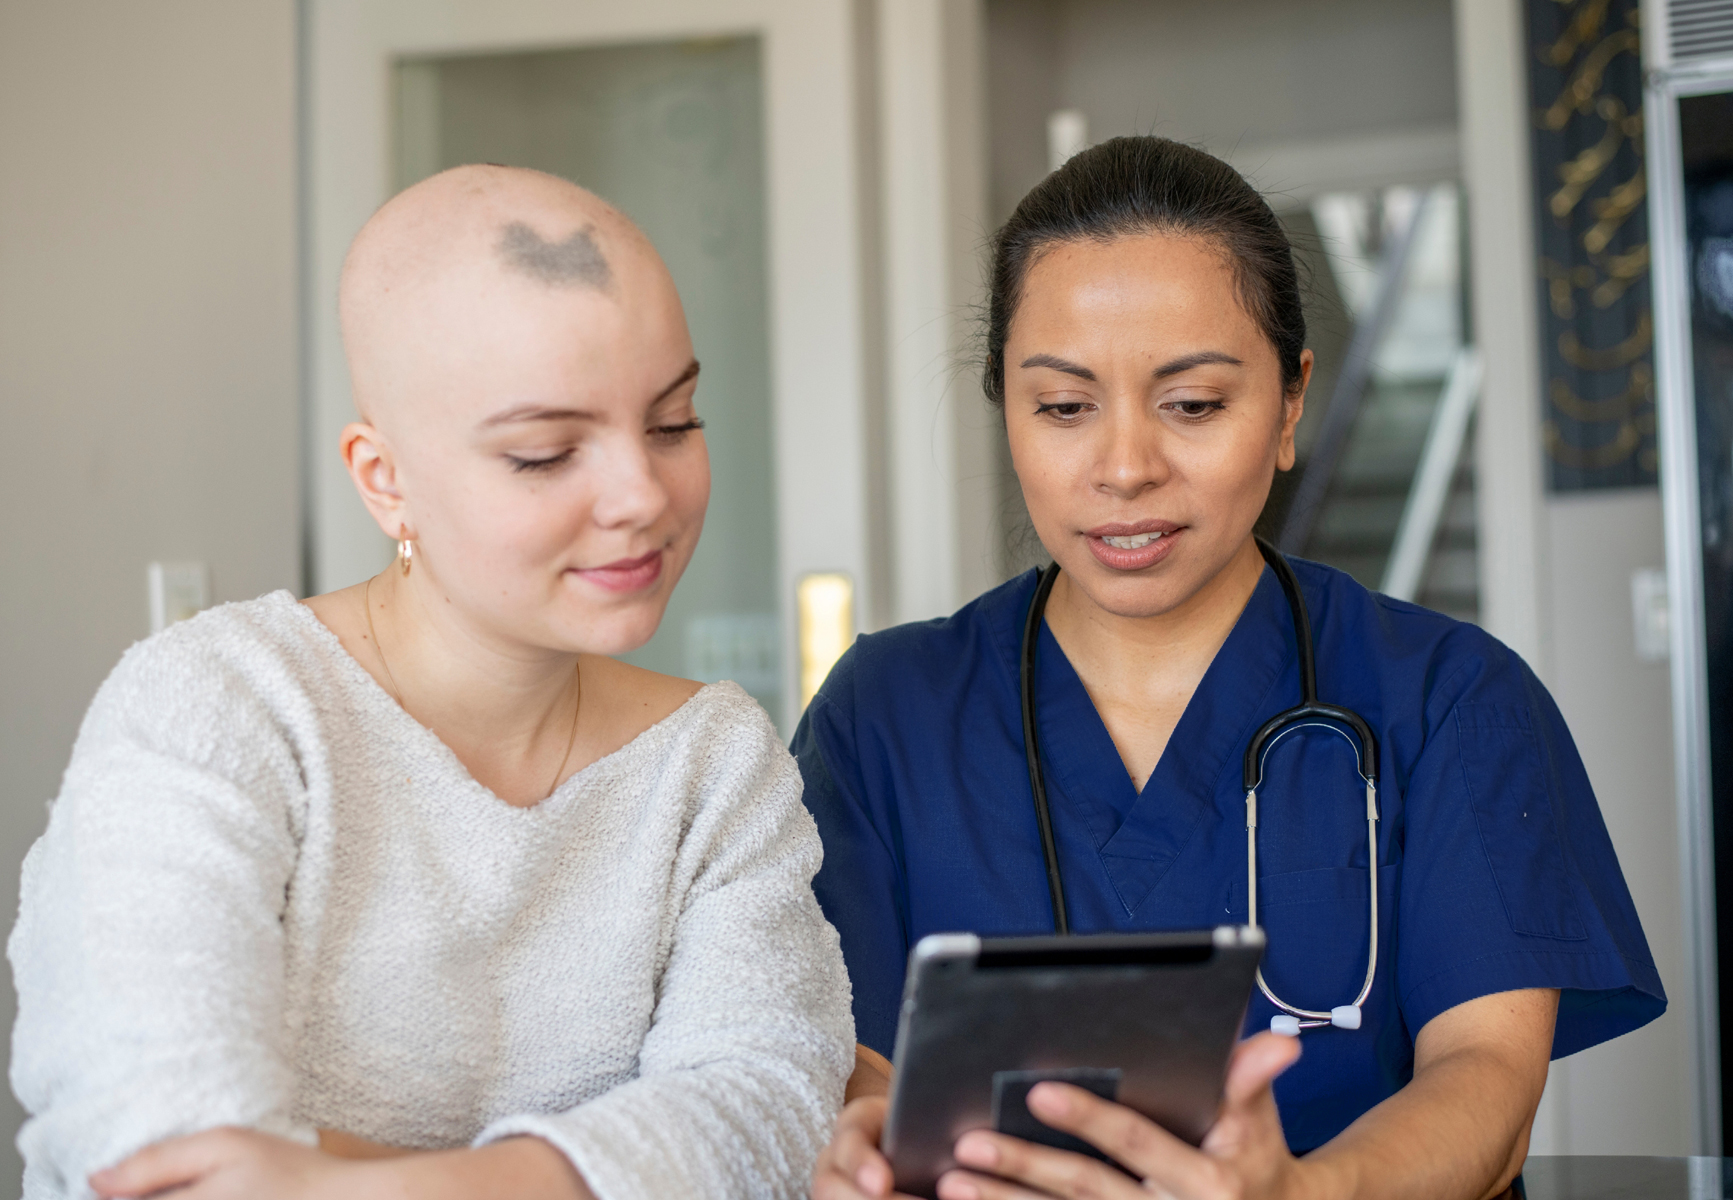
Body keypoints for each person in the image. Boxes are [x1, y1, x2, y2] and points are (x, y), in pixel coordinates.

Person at [802, 137, 1664, 1200]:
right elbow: (849, 1060)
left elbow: (1486, 1082)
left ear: (1291, 402)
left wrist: (1302, 1195)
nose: (1123, 468)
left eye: (1193, 404)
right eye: (1063, 408)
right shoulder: (881, 718)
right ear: (1006, 409)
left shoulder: (1447, 698)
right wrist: (854, 1137)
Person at [10, 165, 853, 1200]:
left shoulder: (714, 761)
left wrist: (349, 1186)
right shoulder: (215, 708)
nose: (642, 494)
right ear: (383, 479)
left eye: (673, 421)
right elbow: (155, 1150)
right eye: (546, 454)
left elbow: (768, 1110)